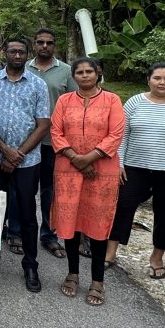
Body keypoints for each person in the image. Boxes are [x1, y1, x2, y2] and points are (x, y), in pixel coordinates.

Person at [107, 63, 165, 277]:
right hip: (134, 167)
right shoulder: (134, 102)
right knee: (122, 206)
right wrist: (118, 163)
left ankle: (157, 257)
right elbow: (122, 135)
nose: (162, 82)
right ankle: (110, 251)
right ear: (148, 79)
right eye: (157, 78)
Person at [0, 37, 50, 292]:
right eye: (13, 51)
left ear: (27, 55)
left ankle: (30, 265)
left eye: (21, 52)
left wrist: (18, 154)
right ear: (5, 54)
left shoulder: (38, 84)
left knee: (28, 213)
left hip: (28, 161)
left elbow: (43, 124)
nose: (17, 55)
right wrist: (4, 150)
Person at [50, 57, 125, 306]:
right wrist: (76, 159)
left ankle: (97, 280)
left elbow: (115, 134)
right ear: (74, 76)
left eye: (88, 71)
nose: (84, 76)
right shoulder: (64, 100)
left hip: (102, 170)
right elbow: (56, 131)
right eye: (79, 72)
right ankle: (72, 273)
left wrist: (90, 158)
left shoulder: (112, 100)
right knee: (70, 222)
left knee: (98, 224)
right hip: (68, 170)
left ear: (97, 73)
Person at [14, 27, 76, 259]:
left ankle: (49, 234)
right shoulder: (22, 67)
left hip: (52, 141)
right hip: (25, 142)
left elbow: (73, 104)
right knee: (22, 189)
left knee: (49, 190)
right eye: (40, 42)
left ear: (55, 45)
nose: (44, 46)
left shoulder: (66, 72)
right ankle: (16, 231)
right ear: (34, 44)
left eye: (49, 43)